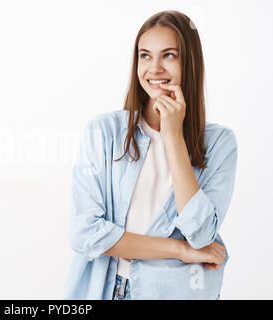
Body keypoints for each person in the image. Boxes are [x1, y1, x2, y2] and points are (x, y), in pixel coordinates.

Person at [62, 10, 237, 300]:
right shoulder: (104, 132)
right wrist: (179, 250)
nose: (154, 68)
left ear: (189, 62)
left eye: (168, 55)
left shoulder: (220, 142)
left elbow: (202, 233)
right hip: (106, 289)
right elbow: (84, 232)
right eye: (145, 56)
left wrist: (173, 137)